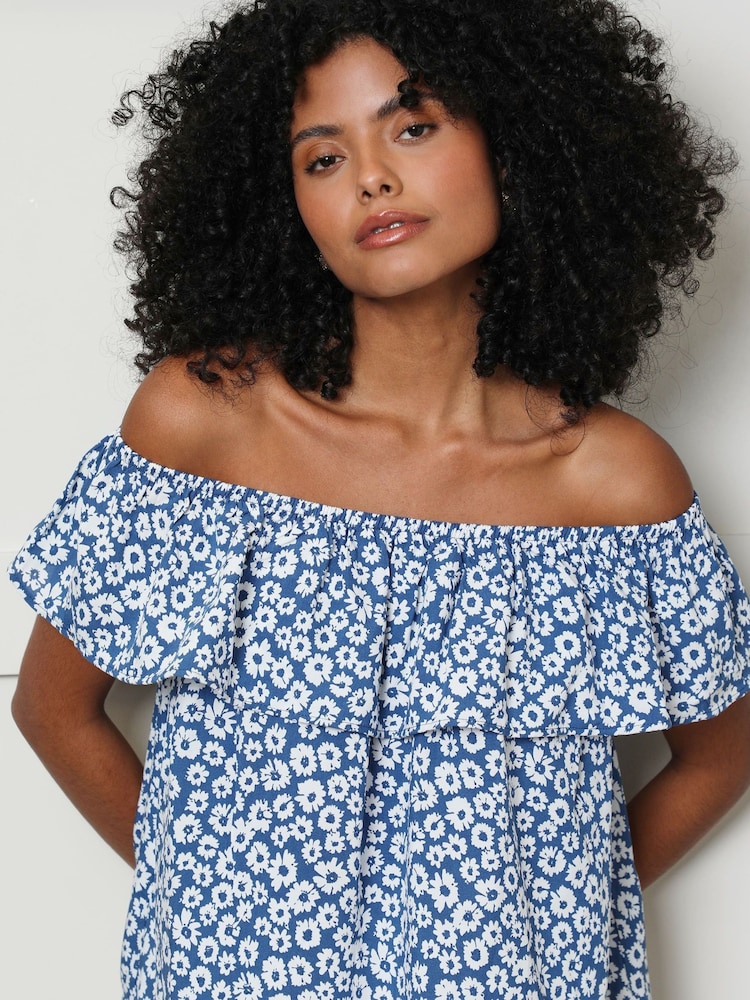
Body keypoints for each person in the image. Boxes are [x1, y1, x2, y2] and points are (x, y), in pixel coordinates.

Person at [9, 0, 750, 997]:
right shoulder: (205, 424)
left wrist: (562, 923)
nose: (371, 177)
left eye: (414, 126)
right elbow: (53, 708)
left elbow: (721, 753)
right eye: (323, 158)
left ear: (517, 142)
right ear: (284, 203)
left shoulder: (613, 484)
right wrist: (214, 912)